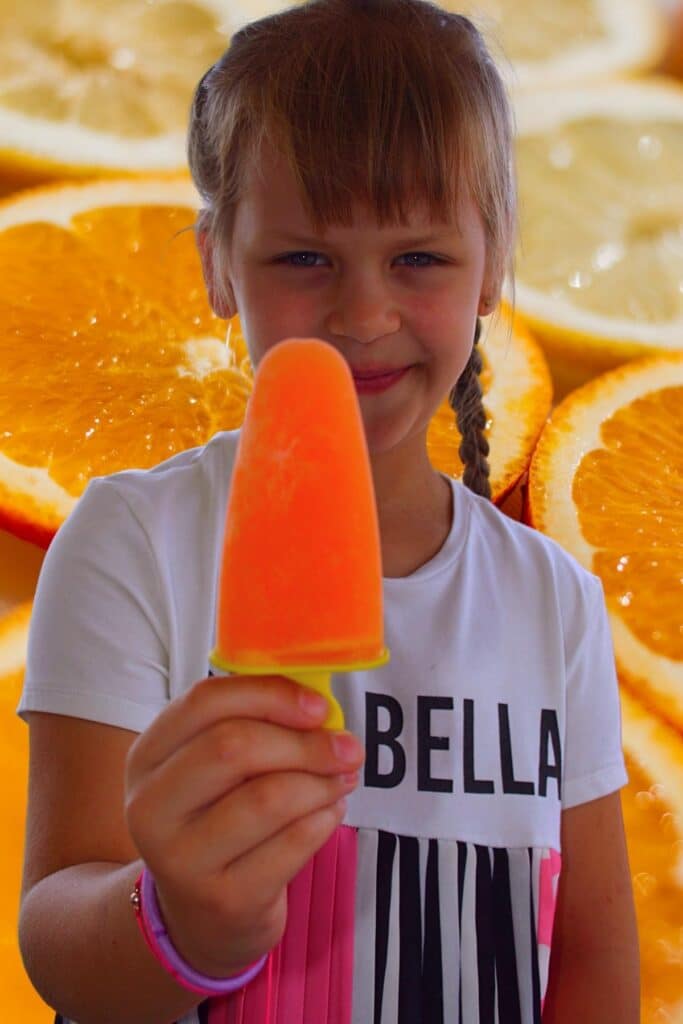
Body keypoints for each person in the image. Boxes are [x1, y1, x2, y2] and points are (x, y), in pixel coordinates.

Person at [16, 1, 639, 1021]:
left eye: (418, 260)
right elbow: (55, 935)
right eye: (304, 259)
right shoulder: (136, 541)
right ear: (218, 263)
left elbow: (593, 964)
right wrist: (179, 919)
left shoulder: (549, 600)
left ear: (490, 263)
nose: (362, 315)